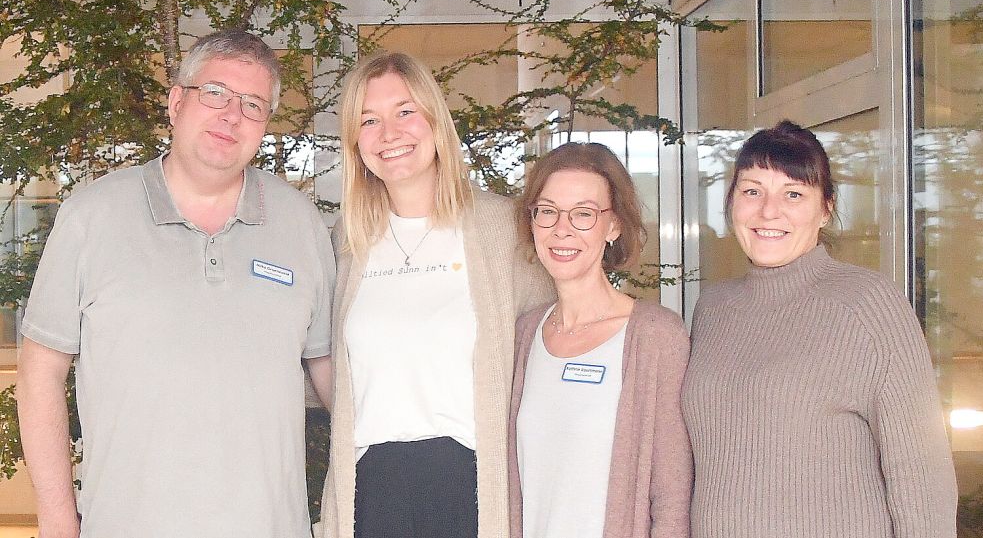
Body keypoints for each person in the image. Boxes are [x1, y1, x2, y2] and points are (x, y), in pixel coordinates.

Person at [16, 29, 335, 538]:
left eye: (252, 105)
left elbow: (331, 372)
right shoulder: (90, 218)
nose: (231, 115)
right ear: (176, 102)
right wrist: (57, 520)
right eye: (215, 93)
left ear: (265, 125)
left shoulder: (301, 225)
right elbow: (39, 375)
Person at [310, 51, 551, 538]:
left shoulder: (501, 230)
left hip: (470, 486)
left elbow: (553, 346)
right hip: (369, 489)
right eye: (369, 120)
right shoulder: (344, 242)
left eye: (405, 112)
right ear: (355, 142)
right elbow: (316, 355)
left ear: (436, 122)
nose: (389, 134)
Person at [682, 120, 958, 537]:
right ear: (731, 203)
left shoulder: (866, 304)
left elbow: (921, 473)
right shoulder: (713, 308)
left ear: (826, 208)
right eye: (752, 190)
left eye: (793, 194)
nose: (768, 211)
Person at [506, 142, 692, 538]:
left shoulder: (655, 336)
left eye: (584, 214)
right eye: (548, 211)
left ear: (614, 225)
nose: (562, 229)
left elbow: (673, 495)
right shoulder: (524, 335)